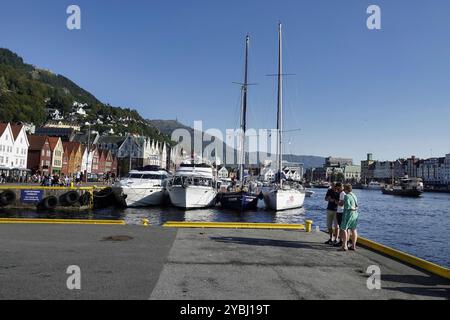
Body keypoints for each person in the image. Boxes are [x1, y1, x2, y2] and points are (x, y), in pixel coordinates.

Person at [339, 184, 359, 251]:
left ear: (346, 189)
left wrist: (341, 203)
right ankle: (353, 246)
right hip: (355, 213)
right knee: (354, 229)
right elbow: (356, 205)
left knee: (344, 228)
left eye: (344, 189)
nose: (344, 190)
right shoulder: (354, 195)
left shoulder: (346, 196)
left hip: (348, 213)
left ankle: (344, 246)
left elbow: (347, 206)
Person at [334, 182, 346, 247]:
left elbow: (341, 204)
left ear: (340, 187)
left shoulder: (342, 193)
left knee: (341, 227)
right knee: (341, 227)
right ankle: (342, 240)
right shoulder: (343, 193)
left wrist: (336, 202)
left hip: (340, 212)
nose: (336, 189)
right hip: (340, 211)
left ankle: (341, 241)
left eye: (337, 187)